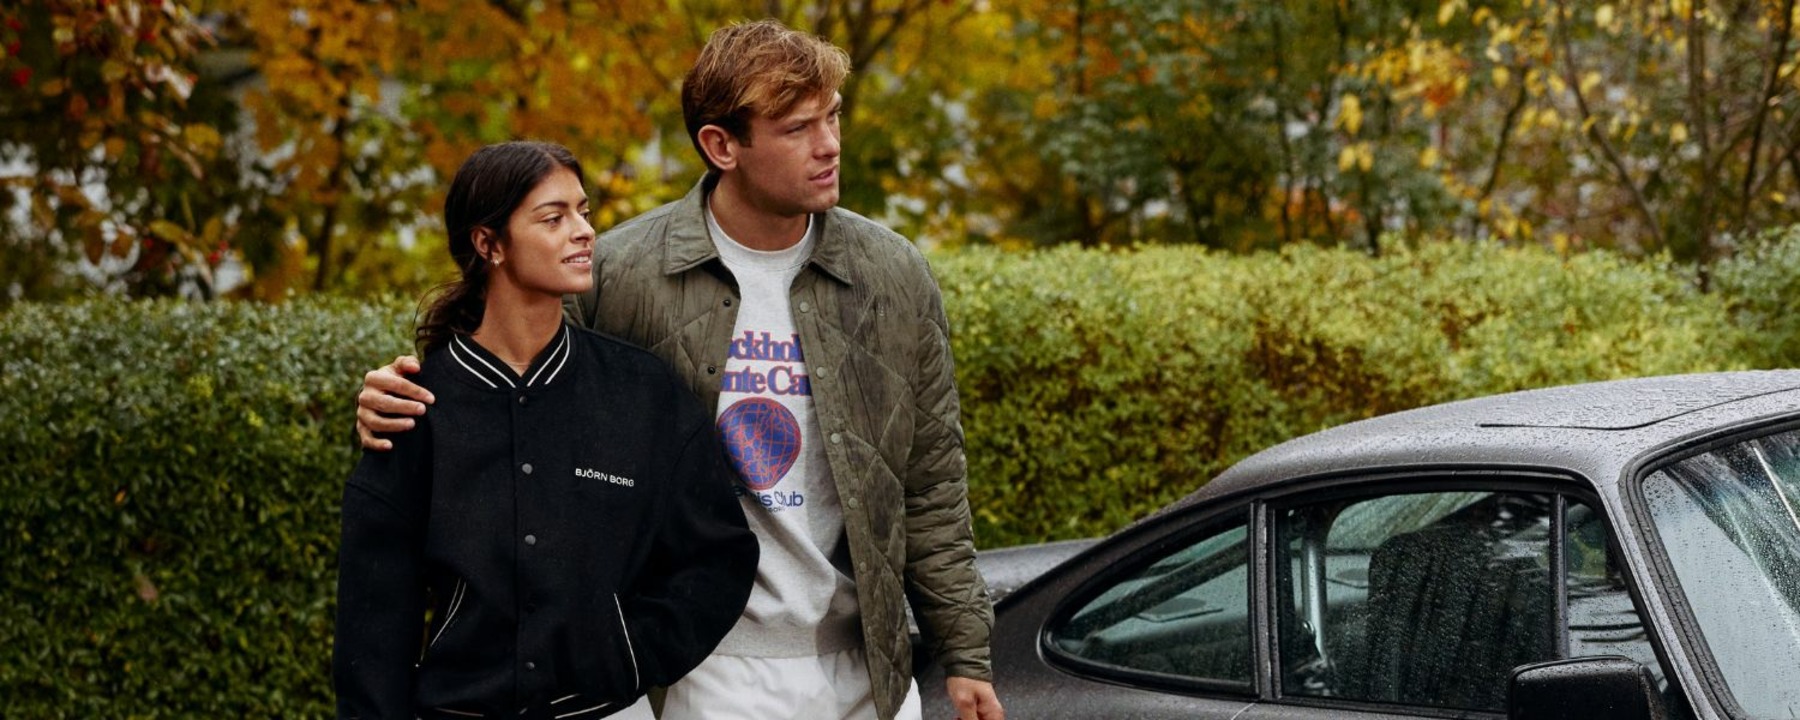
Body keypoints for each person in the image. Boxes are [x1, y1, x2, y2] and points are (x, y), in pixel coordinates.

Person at [357, 21, 1004, 720]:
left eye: (833, 117)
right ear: (721, 145)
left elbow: (932, 482)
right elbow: (510, 387)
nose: (830, 145)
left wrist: (965, 653)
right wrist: (403, 389)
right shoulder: (622, 272)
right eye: (796, 128)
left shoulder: (892, 274)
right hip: (700, 676)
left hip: (864, 673)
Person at [334, 141, 758, 720]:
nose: (583, 231)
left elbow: (720, 556)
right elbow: (374, 617)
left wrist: (630, 653)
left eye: (583, 211)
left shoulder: (640, 392)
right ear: (489, 244)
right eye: (554, 218)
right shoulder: (417, 407)